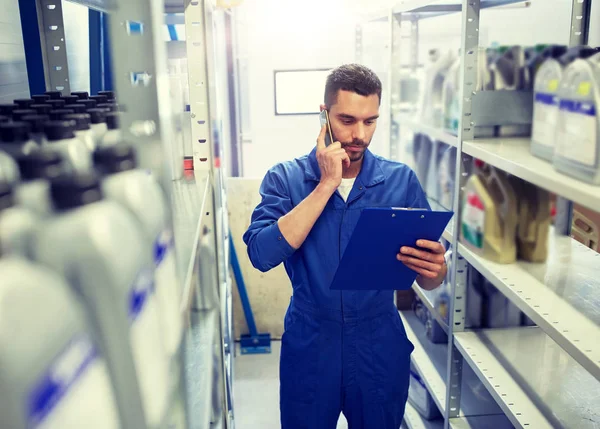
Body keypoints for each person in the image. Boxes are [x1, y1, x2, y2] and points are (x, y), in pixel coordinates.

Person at [243, 64, 446, 429]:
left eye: (370, 122)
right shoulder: (286, 179)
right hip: (311, 343)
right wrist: (325, 186)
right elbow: (260, 254)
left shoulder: (400, 181)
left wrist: (436, 272)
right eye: (347, 120)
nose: (359, 135)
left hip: (378, 343)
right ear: (324, 115)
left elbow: (427, 279)